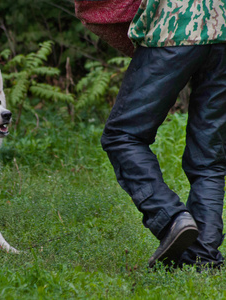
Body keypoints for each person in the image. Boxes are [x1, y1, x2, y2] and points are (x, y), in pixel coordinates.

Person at [82, 0, 226, 269]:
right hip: (223, 30)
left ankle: (171, 218)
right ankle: (203, 257)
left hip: (176, 24)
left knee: (121, 135)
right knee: (209, 158)